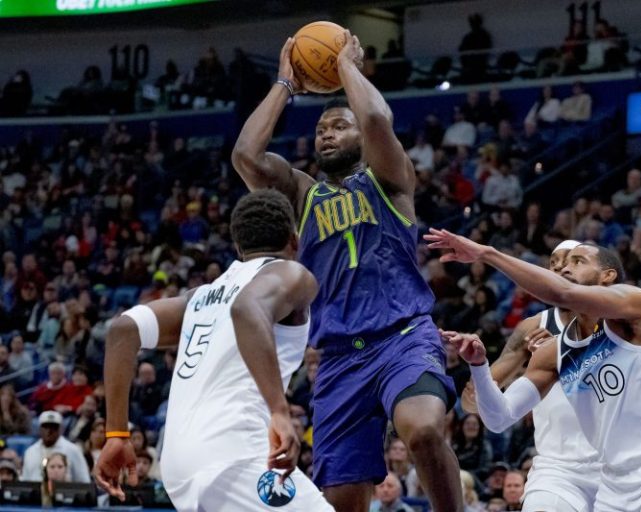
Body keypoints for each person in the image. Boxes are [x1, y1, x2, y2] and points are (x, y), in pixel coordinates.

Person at [231, 32, 461, 512]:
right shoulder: (302, 194)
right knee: (340, 503)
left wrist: (346, 67)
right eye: (320, 130)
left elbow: (377, 116)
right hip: (338, 358)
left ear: (360, 137)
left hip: (403, 337)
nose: (327, 134)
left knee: (421, 431)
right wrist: (285, 85)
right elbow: (246, 157)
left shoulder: (391, 182)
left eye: (339, 125)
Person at [425, 230, 641, 511]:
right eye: (560, 263)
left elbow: (563, 292)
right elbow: (499, 418)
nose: (565, 267)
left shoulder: (635, 306)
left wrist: (487, 254)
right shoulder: (552, 351)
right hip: (611, 483)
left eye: (578, 261)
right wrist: (479, 365)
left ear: (607, 276)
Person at [94, 190, 333, 511]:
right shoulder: (291, 273)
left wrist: (117, 434)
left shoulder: (202, 296)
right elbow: (248, 309)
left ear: (238, 247)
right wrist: (279, 410)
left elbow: (123, 330)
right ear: (294, 242)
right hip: (235, 451)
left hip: (179, 466)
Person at [462, 240, 601, 512]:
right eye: (554, 263)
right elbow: (471, 403)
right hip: (558, 468)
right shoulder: (534, 327)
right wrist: (484, 369)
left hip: (615, 465)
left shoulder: (617, 319)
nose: (561, 268)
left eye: (572, 261)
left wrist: (560, 352)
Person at [21, 410, 91, 483]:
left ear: (60, 429)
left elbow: (84, 480)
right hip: (35, 493)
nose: (49, 431)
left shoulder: (72, 450)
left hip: (64, 492)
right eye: (46, 427)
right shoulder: (30, 452)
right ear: (40, 429)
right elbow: (25, 481)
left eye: (53, 427)